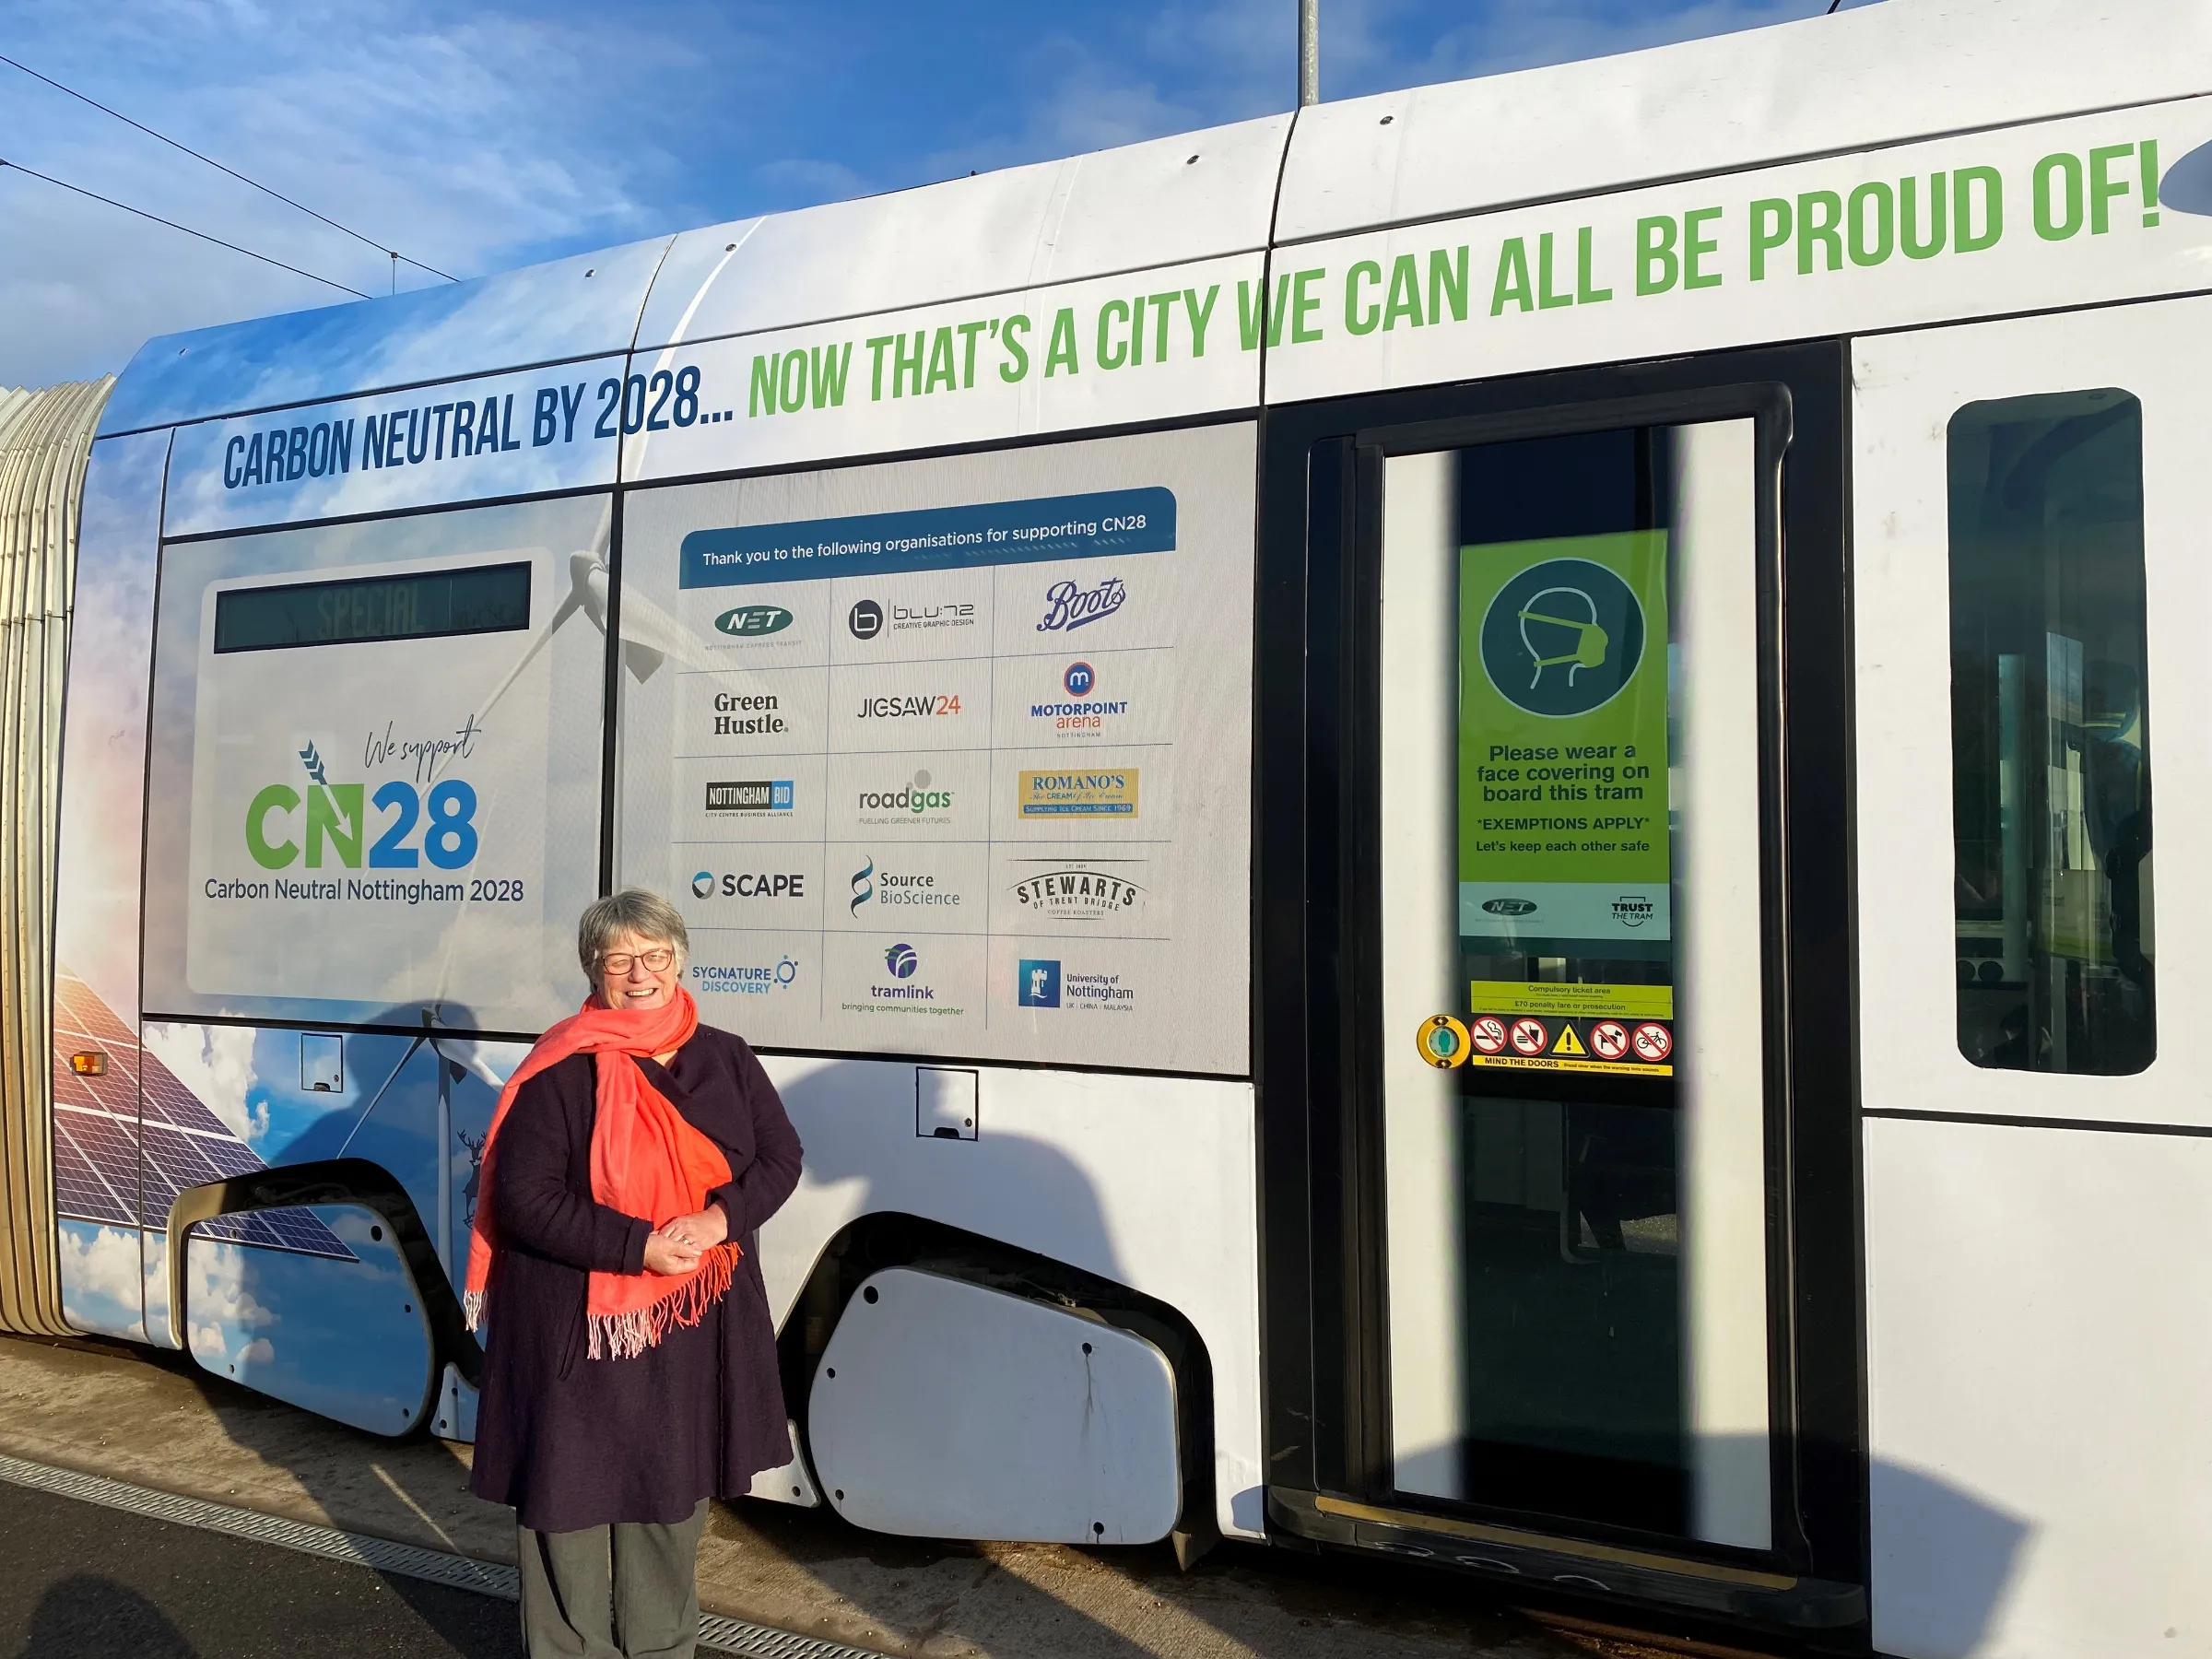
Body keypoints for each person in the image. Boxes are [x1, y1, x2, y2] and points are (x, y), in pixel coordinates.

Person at [465, 888, 804, 1658]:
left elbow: (782, 1159)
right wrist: (637, 1248)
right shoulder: (559, 1068)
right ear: (595, 969)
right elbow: (523, 1199)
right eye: (621, 958)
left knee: (667, 1502)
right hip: (574, 1330)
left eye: (656, 955)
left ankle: (659, 1651)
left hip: (690, 1322)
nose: (641, 971)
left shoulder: (726, 1056)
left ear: (679, 959)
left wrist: (721, 1220)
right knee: (566, 1506)